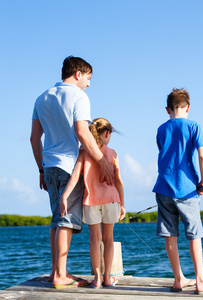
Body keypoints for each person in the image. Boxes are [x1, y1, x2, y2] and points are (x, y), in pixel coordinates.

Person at [30, 56, 114, 289]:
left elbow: (34, 138)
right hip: (68, 166)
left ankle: (56, 270)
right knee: (66, 221)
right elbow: (82, 132)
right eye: (88, 77)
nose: (88, 83)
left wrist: (40, 168)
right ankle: (60, 275)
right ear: (78, 74)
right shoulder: (79, 96)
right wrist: (103, 162)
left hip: (48, 166)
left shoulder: (41, 97)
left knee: (56, 219)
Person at [152, 88, 203, 294]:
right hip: (186, 189)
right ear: (188, 107)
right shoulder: (194, 126)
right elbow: (202, 156)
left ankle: (178, 279)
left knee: (170, 235)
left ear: (167, 109)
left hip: (163, 187)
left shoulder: (160, 129)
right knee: (194, 234)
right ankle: (201, 280)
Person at [60, 117, 125, 288]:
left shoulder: (83, 152)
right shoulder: (113, 153)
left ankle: (97, 278)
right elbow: (118, 181)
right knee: (109, 239)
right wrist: (122, 203)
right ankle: (108, 277)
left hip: (91, 202)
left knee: (94, 239)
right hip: (111, 200)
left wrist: (64, 197)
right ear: (107, 133)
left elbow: (75, 177)